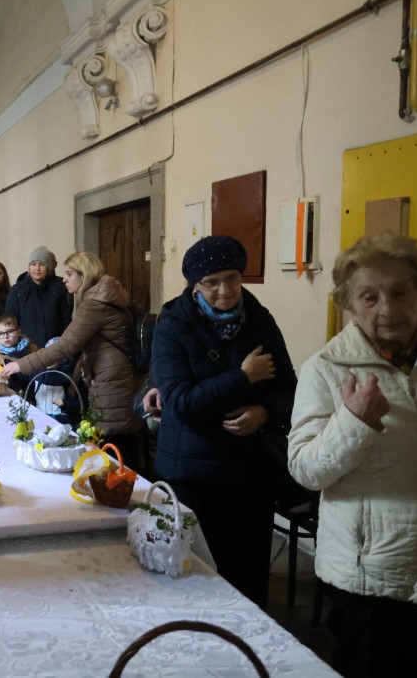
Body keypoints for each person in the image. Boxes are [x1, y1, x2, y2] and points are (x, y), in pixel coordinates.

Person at [287, 234, 417, 678]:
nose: (388, 309)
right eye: (370, 296)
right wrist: (354, 421)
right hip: (371, 578)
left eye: (400, 293)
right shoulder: (325, 368)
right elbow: (305, 470)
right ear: (348, 303)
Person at [150, 235, 296, 608]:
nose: (224, 290)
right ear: (194, 286)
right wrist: (243, 378)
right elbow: (180, 404)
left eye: (231, 278)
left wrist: (265, 413)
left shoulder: (259, 319)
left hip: (250, 473)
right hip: (193, 475)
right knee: (196, 579)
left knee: (248, 580)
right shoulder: (173, 324)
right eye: (211, 282)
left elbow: (290, 390)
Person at [1, 251, 142, 459]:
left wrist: (19, 365)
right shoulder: (100, 297)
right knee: (114, 439)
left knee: (114, 444)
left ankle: (126, 487)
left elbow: (65, 346)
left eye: (69, 274)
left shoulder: (96, 304)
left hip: (110, 379)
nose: (64, 279)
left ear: (83, 275)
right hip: (111, 374)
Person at [5, 245, 71, 348]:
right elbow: (10, 322)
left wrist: (64, 344)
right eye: (33, 264)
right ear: (28, 267)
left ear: (48, 268)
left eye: (42, 264)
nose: (37, 268)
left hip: (55, 349)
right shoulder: (17, 291)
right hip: (27, 349)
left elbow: (66, 320)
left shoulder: (59, 288)